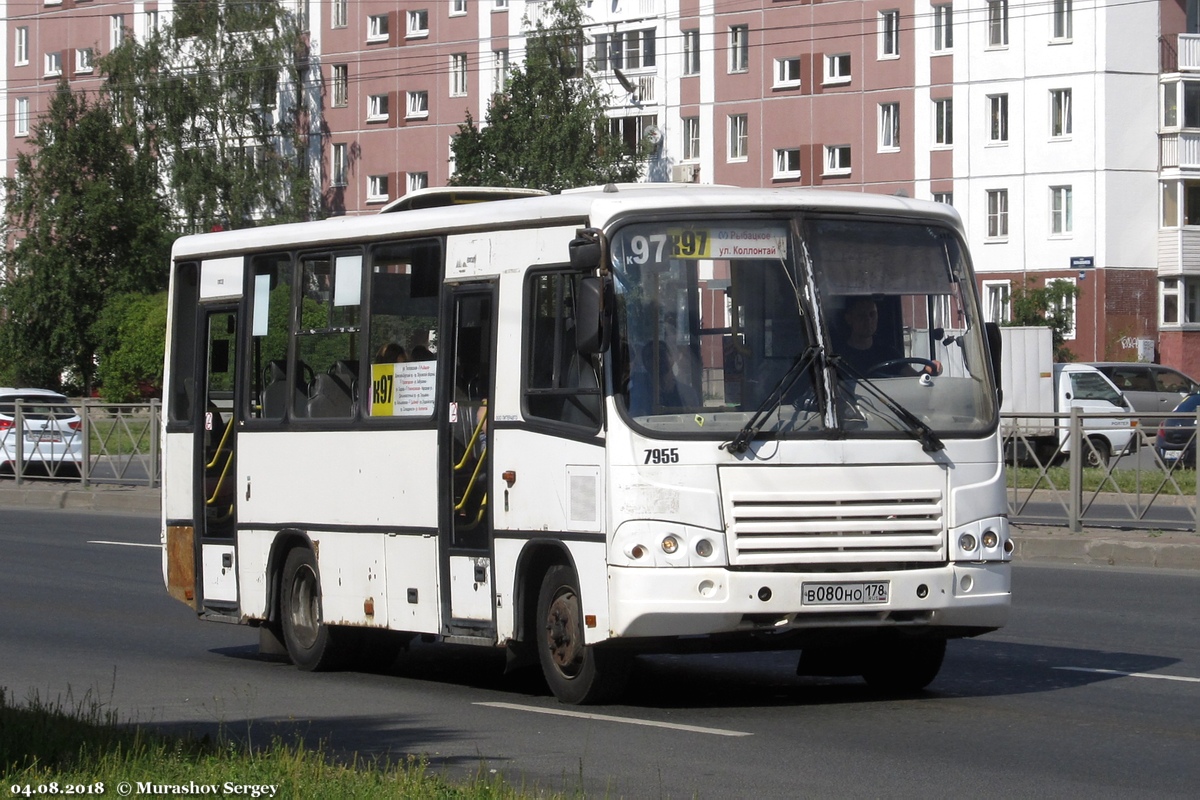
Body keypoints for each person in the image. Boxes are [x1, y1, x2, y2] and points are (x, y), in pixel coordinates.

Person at [837, 296, 902, 375]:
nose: (868, 320)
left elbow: (914, 378)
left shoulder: (889, 354)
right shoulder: (839, 358)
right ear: (849, 318)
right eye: (861, 315)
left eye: (872, 314)